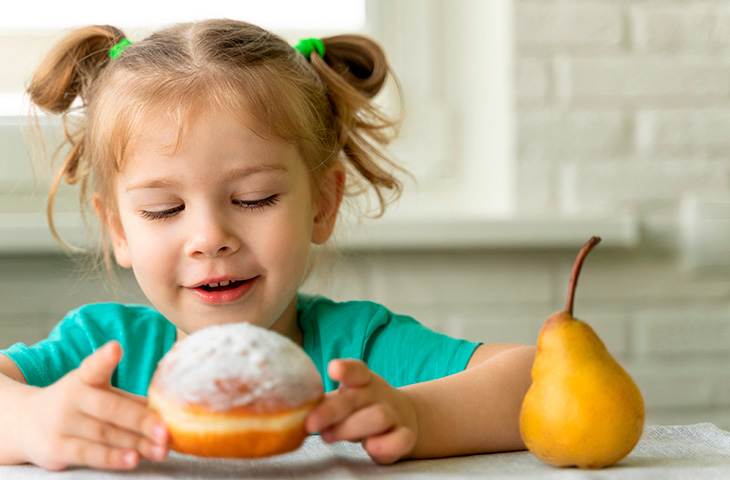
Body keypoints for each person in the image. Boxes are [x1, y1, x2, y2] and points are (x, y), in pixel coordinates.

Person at [0, 19, 535, 471]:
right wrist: (31, 419)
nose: (210, 238)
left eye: (253, 199)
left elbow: (538, 377)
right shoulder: (103, 349)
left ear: (322, 204)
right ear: (118, 228)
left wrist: (417, 416)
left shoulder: (359, 353)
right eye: (164, 209)